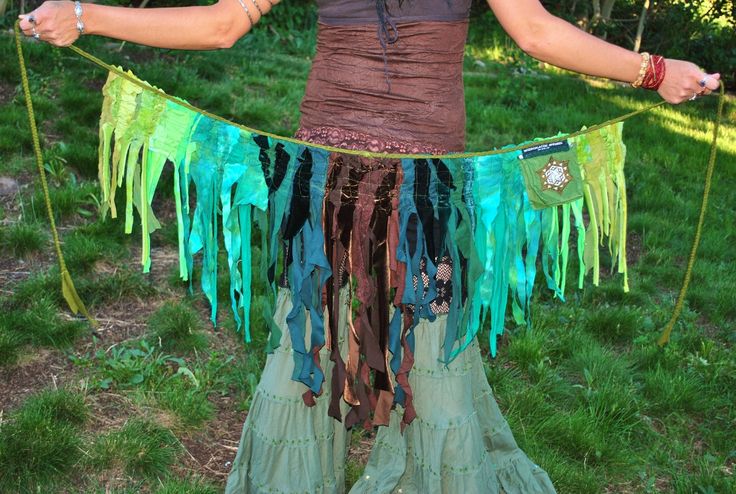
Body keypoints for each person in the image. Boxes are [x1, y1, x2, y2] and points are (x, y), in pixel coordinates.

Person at [19, 1, 720, 493]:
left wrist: (653, 71)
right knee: (303, 368)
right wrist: (85, 15)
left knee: (437, 386)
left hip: (423, 204)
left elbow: (534, 30)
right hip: (324, 192)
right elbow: (224, 20)